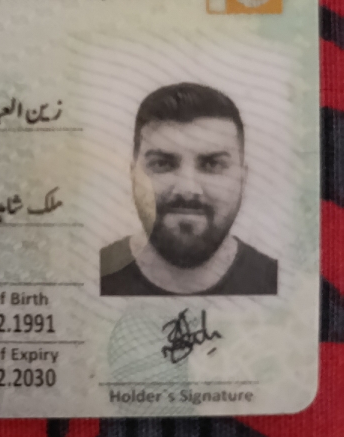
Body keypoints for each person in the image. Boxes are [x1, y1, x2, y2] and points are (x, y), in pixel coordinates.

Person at [100, 82, 277, 296]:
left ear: (243, 178)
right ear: (133, 175)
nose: (187, 189)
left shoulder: (277, 283)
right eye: (162, 164)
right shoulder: (91, 273)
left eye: (212, 164)